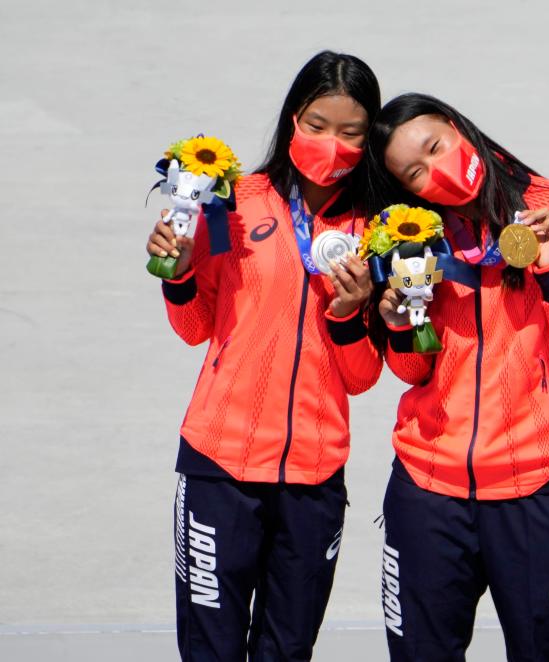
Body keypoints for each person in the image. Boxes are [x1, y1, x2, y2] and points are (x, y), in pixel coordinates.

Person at [144, 51, 382, 660]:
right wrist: (176, 272)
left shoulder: (381, 229)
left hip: (314, 471)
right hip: (219, 462)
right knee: (210, 648)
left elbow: (360, 378)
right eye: (318, 125)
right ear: (293, 119)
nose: (333, 143)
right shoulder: (234, 201)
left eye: (352, 133)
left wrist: (350, 312)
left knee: (287, 649)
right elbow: (197, 326)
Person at [364, 93, 549, 662]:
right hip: (430, 486)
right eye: (415, 173)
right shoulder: (411, 237)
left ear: (458, 127)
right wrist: (402, 327)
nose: (435, 172)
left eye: (436, 146)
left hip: (539, 484)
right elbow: (410, 370)